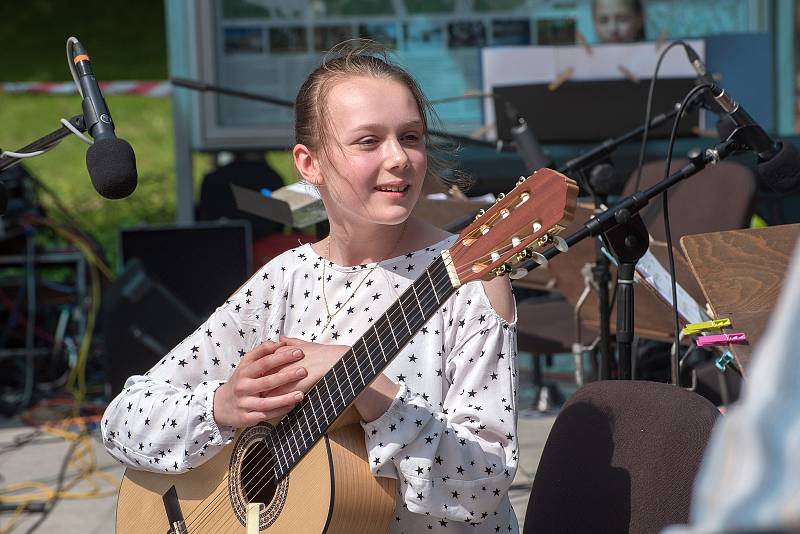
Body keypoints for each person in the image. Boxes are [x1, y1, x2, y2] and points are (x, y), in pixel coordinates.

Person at [101, 41, 520, 533]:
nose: (399, 158)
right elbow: (123, 419)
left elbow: (485, 485)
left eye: (411, 137)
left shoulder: (469, 281)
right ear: (309, 163)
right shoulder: (283, 280)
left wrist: (376, 394)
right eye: (369, 141)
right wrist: (221, 408)